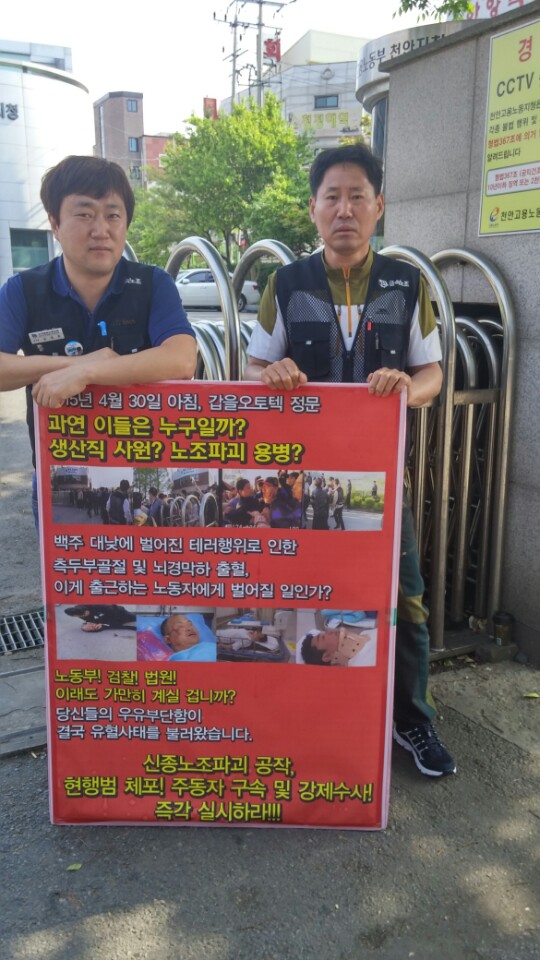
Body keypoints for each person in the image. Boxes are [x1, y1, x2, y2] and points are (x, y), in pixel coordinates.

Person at [243, 143, 455, 778]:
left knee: (406, 600)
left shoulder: (406, 283)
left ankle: (412, 719)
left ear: (378, 205)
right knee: (301, 593)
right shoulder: (287, 284)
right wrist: (270, 373)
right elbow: (252, 367)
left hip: (382, 479)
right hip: (299, 483)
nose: (344, 210)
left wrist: (407, 389)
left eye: (357, 196)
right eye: (331, 197)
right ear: (313, 209)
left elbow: (433, 372)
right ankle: (305, 714)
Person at [0, 154, 197, 521]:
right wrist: (75, 364)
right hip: (58, 471)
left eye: (112, 215)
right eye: (84, 214)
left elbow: (182, 357)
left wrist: (88, 373)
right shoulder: (23, 290)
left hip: (137, 466)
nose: (101, 229)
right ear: (55, 223)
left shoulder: (152, 284)